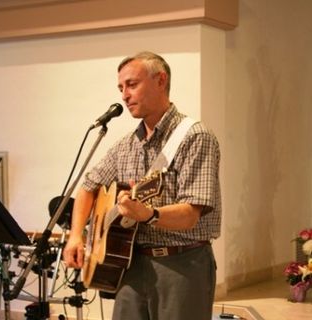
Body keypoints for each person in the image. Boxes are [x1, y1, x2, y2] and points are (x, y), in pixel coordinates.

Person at [63, 51, 221, 320]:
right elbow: (87, 187)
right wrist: (77, 235)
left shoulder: (195, 136)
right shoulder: (126, 145)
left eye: (132, 84)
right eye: (121, 88)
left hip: (182, 263)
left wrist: (148, 214)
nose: (124, 95)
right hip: (131, 264)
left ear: (161, 80)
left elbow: (191, 214)